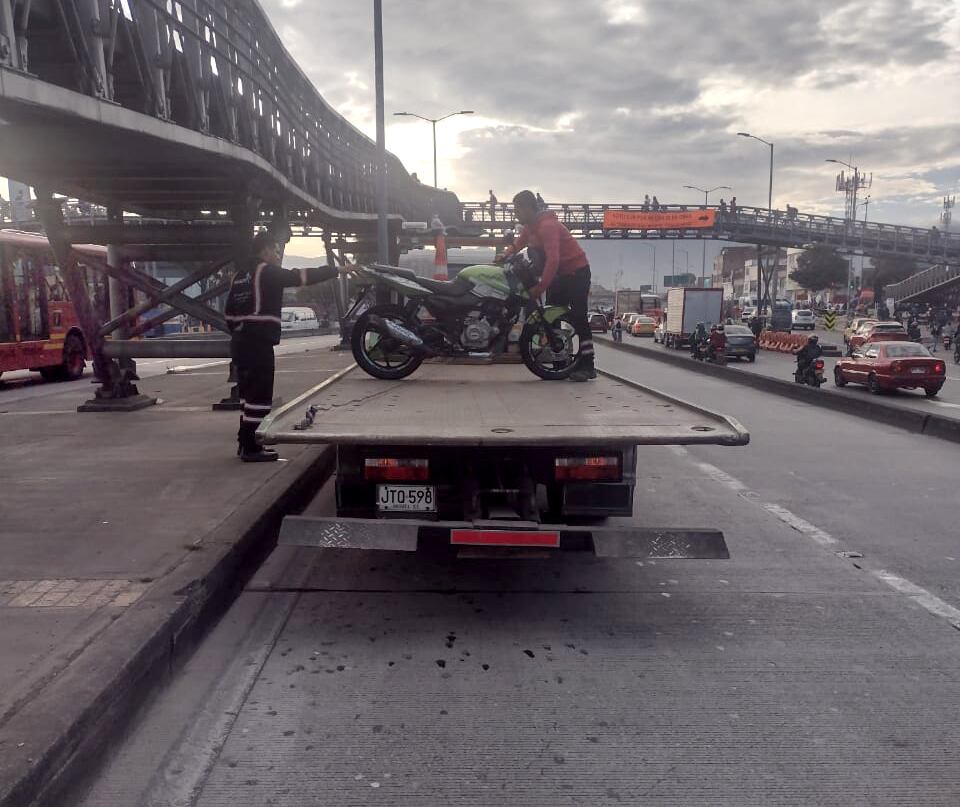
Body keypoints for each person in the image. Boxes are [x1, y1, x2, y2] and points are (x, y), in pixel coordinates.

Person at [225, 231, 346, 461]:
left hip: (240, 343)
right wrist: (335, 270)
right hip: (258, 342)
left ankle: (245, 443)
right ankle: (252, 448)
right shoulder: (265, 272)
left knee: (247, 397)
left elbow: (229, 312)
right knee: (259, 397)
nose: (279, 256)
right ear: (266, 250)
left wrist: (239, 331)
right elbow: (299, 276)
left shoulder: (241, 276)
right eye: (277, 250)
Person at [506, 189, 595, 381]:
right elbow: (519, 242)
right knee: (551, 316)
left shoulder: (547, 226)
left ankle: (588, 365)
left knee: (578, 316)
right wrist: (505, 253)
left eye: (518, 210)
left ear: (529, 208)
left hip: (577, 272)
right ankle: (560, 362)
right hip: (561, 275)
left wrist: (540, 287)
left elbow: (553, 260)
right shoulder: (531, 226)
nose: (516, 214)